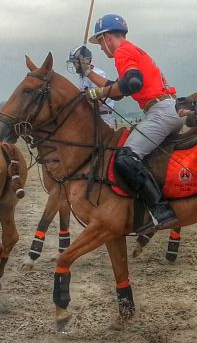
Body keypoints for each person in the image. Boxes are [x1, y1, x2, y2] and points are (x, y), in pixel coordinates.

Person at [84, 14, 182, 234]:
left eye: (100, 42)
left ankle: (161, 211)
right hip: (166, 108)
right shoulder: (133, 50)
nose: (101, 48)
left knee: (126, 157)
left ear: (108, 37)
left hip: (160, 112)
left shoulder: (123, 51)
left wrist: (97, 93)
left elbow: (131, 83)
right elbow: (117, 89)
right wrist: (88, 72)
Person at [67, 45, 116, 128]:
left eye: (75, 62)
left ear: (86, 60)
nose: (74, 65)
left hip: (103, 118)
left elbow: (99, 102)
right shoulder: (81, 77)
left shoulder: (98, 74)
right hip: (91, 116)